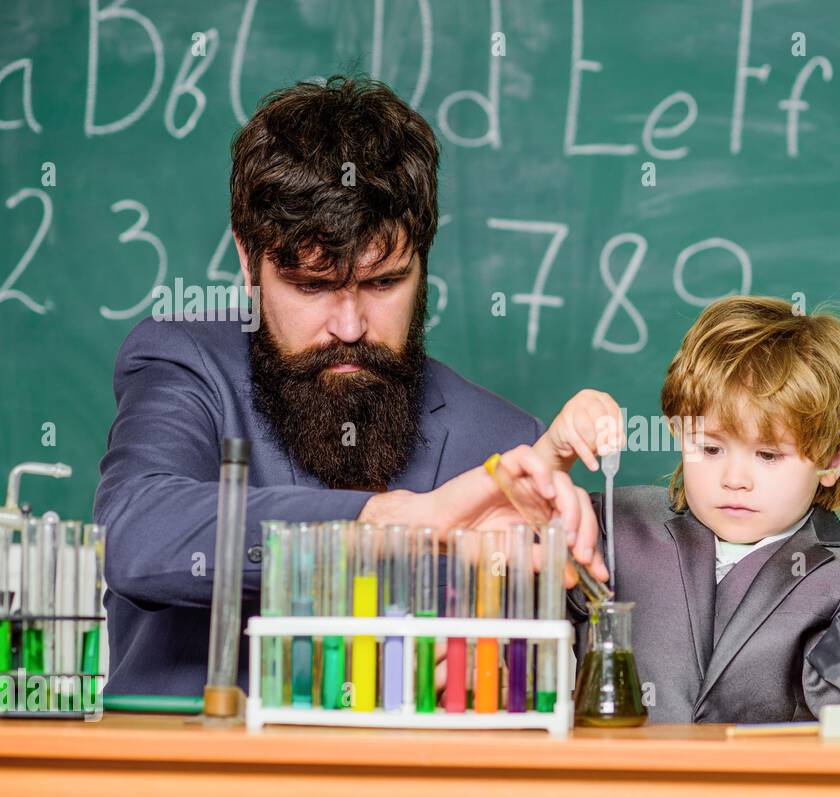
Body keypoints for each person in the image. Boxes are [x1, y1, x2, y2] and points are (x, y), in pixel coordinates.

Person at [93, 76, 602, 697]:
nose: (351, 326)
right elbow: (136, 534)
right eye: (311, 286)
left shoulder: (507, 447)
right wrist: (396, 526)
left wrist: (505, 665)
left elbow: (537, 690)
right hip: (196, 786)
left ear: (424, 260)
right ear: (247, 262)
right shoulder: (187, 362)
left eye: (384, 282)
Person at [541, 296, 840, 724]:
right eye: (711, 448)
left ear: (832, 461)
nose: (735, 478)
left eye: (768, 455)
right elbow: (498, 596)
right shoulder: (613, 526)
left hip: (776, 792)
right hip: (615, 787)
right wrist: (551, 457)